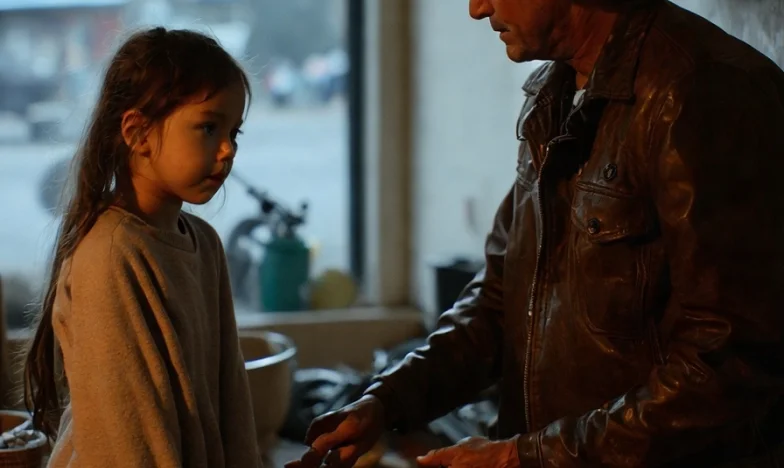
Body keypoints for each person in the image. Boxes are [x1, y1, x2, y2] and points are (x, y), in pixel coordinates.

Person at [287, 0, 784, 466]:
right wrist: (386, 399)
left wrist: (528, 457)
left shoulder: (704, 91)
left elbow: (729, 363)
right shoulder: (554, 93)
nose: (477, 8)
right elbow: (500, 301)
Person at [22, 28, 262, 467]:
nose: (227, 149)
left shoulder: (204, 245)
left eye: (234, 132)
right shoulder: (111, 256)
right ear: (138, 132)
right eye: (209, 127)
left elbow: (233, 401)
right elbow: (129, 441)